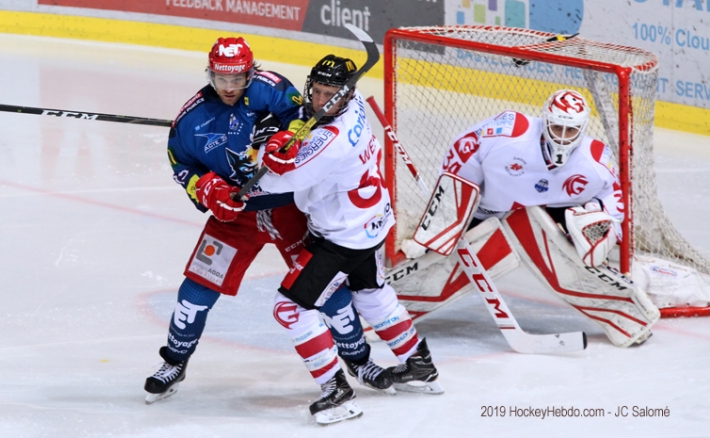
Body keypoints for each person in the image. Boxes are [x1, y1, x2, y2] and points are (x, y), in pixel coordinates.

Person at [144, 38, 390, 405]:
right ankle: (175, 362)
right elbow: (182, 165)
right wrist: (207, 188)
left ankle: (359, 360)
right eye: (221, 79)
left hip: (288, 209)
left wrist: (287, 138)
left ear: (251, 71)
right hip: (236, 217)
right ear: (210, 74)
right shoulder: (191, 118)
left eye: (238, 78)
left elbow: (308, 118)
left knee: (323, 291)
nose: (229, 88)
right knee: (196, 290)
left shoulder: (272, 90)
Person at [257, 54, 444, 424]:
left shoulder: (331, 139)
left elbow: (275, 183)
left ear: (346, 94)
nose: (322, 101)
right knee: (371, 292)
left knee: (289, 308)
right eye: (318, 92)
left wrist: (265, 148)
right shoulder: (353, 105)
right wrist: (292, 131)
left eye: (331, 95)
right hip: (372, 224)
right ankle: (418, 364)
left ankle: (336, 391)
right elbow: (310, 130)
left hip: (340, 237)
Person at [420, 89, 665, 347]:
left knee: (571, 245)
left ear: (582, 129)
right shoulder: (509, 132)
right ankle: (393, 306)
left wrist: (605, 234)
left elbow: (616, 206)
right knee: (439, 260)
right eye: (556, 127)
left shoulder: (595, 162)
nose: (561, 136)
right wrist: (448, 212)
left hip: (546, 214)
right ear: (545, 120)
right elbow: (463, 150)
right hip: (485, 211)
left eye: (570, 130)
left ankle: (624, 315)